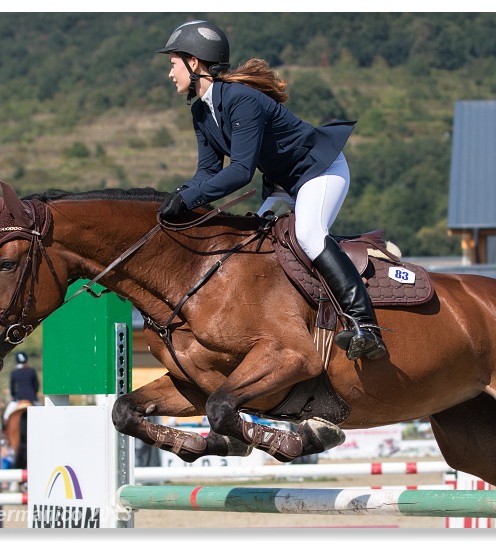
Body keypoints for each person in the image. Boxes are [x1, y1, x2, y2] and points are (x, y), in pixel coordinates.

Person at [156, 20, 387, 361]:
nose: (170, 73)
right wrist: (175, 198)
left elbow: (240, 172)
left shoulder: (240, 99)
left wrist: (191, 198)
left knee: (309, 234)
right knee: (254, 242)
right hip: (284, 184)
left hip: (320, 170)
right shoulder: (201, 113)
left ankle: (365, 326)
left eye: (173, 63)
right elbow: (206, 172)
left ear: (194, 62)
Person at [2, 351, 39, 422]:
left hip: (18, 398)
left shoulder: (14, 372)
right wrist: (34, 395)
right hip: (32, 398)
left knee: (6, 416)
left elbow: (12, 389)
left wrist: (14, 396)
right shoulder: (32, 371)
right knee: (43, 415)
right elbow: (36, 386)